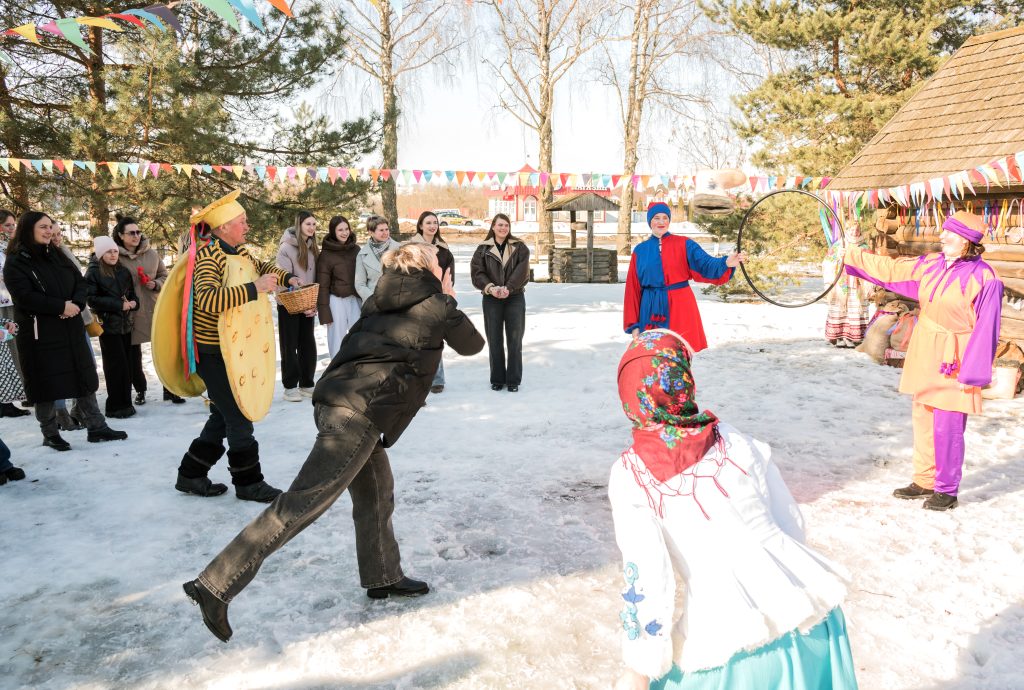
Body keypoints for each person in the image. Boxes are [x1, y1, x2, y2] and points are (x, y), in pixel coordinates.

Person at [182, 242, 485, 643]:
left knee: (377, 493)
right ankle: (215, 584)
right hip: (359, 413)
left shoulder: (378, 301)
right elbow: (473, 344)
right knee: (302, 502)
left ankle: (383, 575)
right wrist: (446, 295)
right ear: (431, 269)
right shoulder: (436, 304)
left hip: (340, 402)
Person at [610, 329, 858, 690]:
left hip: (732, 641)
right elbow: (791, 523)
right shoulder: (733, 438)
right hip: (812, 613)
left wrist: (639, 668)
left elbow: (648, 579)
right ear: (684, 382)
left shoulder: (631, 474)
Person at [843, 210, 1003, 511]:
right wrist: (853, 254)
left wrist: (973, 370)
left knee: (948, 425)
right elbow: (890, 269)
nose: (942, 237)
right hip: (925, 349)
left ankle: (946, 488)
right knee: (923, 415)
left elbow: (988, 328)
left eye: (950, 234)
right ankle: (924, 479)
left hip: (955, 355)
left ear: (967, 241)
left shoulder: (986, 278)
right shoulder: (931, 264)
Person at [164, 190, 303, 503]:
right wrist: (254, 289)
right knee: (239, 418)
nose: (246, 226)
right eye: (241, 221)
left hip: (237, 350)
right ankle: (248, 482)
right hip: (213, 352)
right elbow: (209, 300)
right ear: (223, 226)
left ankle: (190, 474)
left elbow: (264, 266)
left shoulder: (240, 251)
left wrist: (287, 278)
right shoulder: (207, 257)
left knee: (222, 416)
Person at [2, 211, 127, 451]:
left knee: (83, 374)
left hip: (69, 326)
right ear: (29, 229)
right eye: (43, 227)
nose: (49, 231)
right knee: (45, 382)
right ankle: (50, 432)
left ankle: (97, 426)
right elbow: (24, 296)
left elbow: (79, 282)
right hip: (40, 332)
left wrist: (76, 305)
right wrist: (62, 306)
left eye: (51, 226)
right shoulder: (17, 260)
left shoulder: (56, 254)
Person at [623, 202, 746, 353]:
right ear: (650, 221)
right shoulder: (640, 251)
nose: (661, 222)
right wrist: (633, 325)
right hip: (650, 308)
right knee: (653, 356)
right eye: (656, 218)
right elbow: (632, 289)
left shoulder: (684, 244)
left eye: (665, 218)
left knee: (681, 354)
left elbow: (705, 264)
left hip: (680, 307)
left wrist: (726, 262)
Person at [113, 214, 181, 405]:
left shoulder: (151, 254)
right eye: (131, 233)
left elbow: (164, 275)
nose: (136, 236)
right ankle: (140, 390)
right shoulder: (116, 257)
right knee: (134, 355)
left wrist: (156, 283)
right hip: (131, 312)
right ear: (121, 235)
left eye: (138, 232)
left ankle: (170, 389)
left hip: (155, 309)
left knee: (164, 351)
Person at [470, 213, 530, 392]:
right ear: (493, 227)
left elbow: (522, 271)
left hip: (515, 297)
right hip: (491, 298)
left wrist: (508, 288)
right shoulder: (483, 249)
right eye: (500, 225)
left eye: (506, 225)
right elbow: (477, 272)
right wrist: (491, 288)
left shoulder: (519, 247)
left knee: (515, 339)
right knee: (494, 339)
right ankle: (497, 379)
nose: (503, 228)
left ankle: (513, 380)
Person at [86, 236, 140, 418]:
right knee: (115, 367)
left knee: (127, 366)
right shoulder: (93, 272)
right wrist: (118, 304)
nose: (113, 254)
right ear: (101, 253)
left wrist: (133, 302)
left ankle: (126, 403)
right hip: (108, 326)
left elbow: (132, 294)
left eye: (115, 251)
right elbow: (91, 299)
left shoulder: (122, 271)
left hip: (126, 325)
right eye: (109, 251)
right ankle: (115, 406)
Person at [276, 211, 320, 402]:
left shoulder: (312, 247)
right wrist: (299, 298)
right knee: (290, 344)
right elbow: (283, 277)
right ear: (299, 224)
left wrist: (312, 303)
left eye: (314, 225)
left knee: (307, 343)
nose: (311, 228)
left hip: (307, 303)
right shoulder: (286, 247)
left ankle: (307, 382)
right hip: (289, 303)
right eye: (308, 224)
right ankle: (290, 386)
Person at [412, 211, 454, 393]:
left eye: (435, 222)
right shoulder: (411, 248)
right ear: (421, 225)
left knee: (435, 339)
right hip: (416, 299)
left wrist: (447, 298)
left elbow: (448, 277)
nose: (432, 226)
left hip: (437, 299)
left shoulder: (444, 250)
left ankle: (437, 379)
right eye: (428, 222)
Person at [316, 214, 361, 359]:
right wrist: (324, 313)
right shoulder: (326, 255)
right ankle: (336, 370)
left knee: (359, 335)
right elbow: (322, 286)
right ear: (333, 232)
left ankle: (357, 368)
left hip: (355, 299)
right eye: (340, 230)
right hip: (336, 301)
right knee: (337, 338)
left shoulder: (356, 250)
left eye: (346, 229)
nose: (344, 232)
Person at [0, 209, 29, 418]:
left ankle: (16, 394)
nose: (12, 229)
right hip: (1, 306)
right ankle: (4, 401)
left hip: (13, 303)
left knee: (14, 350)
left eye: (13, 225)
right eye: (8, 225)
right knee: (4, 351)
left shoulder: (10, 248)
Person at [825, 222, 870, 347]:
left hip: (857, 283)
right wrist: (839, 257)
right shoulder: (839, 245)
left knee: (855, 308)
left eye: (857, 229)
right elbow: (828, 262)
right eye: (851, 229)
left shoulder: (864, 246)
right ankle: (838, 336)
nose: (854, 232)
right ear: (846, 230)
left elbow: (869, 263)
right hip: (841, 283)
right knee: (840, 308)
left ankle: (853, 337)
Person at [354, 216, 400, 302]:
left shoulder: (400, 249)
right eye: (381, 230)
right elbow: (360, 284)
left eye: (386, 229)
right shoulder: (362, 254)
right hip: (374, 303)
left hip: (397, 300)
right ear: (371, 232)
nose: (385, 233)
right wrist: (373, 299)